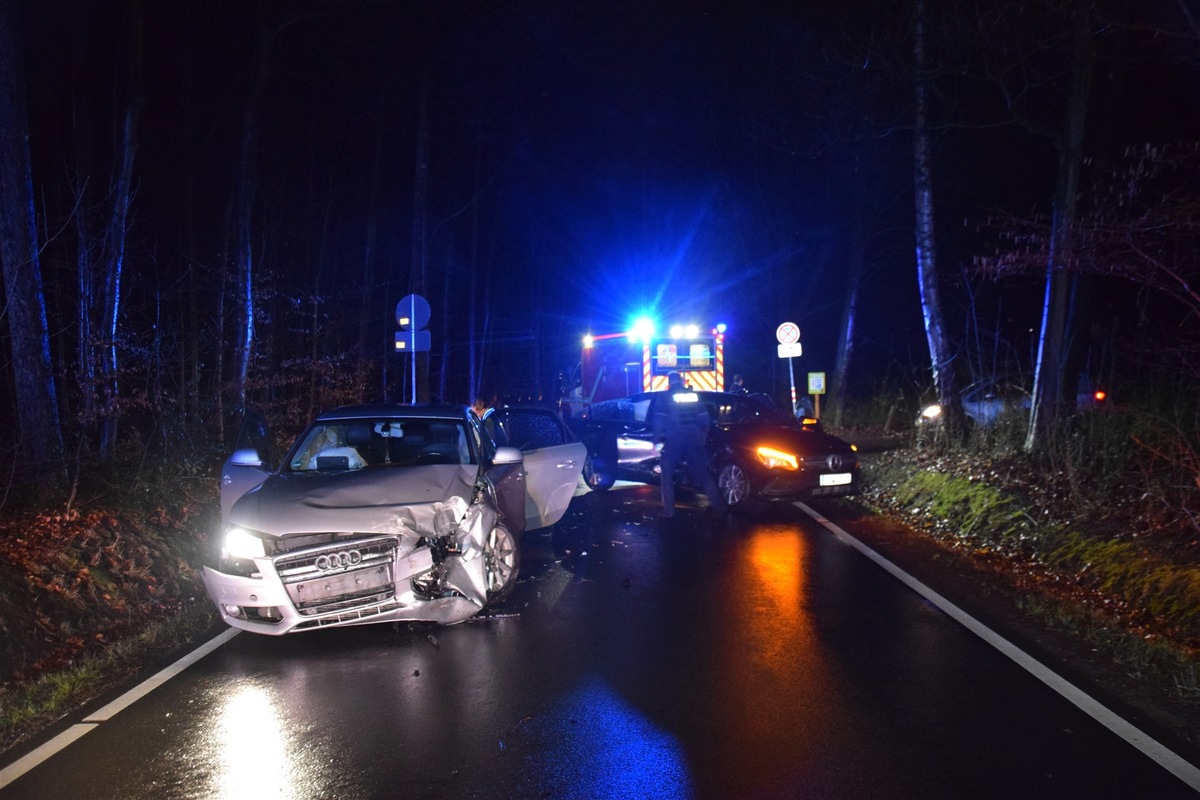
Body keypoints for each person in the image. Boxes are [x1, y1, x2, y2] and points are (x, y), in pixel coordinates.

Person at [651, 371, 726, 518]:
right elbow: (705, 420)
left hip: (675, 440)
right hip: (694, 440)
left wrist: (655, 440)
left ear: (669, 382)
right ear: (682, 381)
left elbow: (658, 421)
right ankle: (721, 508)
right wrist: (702, 438)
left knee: (666, 472)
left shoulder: (665, 397)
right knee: (704, 474)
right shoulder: (693, 396)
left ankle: (668, 511)